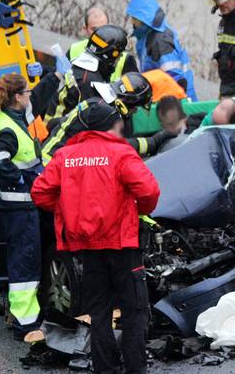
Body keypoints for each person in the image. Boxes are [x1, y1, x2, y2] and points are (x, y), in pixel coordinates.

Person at [31, 102, 160, 374]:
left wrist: (70, 210)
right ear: (110, 125)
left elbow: (40, 193)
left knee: (99, 313)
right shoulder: (121, 152)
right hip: (123, 246)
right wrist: (139, 211)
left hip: (88, 249)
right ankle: (135, 369)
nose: (122, 127)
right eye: (118, 123)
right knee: (134, 311)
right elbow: (149, 191)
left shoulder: (65, 155)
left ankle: (105, 369)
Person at [0, 73, 43, 340]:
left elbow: (36, 111)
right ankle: (25, 323)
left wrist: (52, 79)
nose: (30, 95)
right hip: (19, 206)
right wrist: (21, 179)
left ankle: (19, 314)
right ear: (18, 97)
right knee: (24, 264)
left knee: (23, 260)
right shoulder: (8, 127)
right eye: (28, 92)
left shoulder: (10, 117)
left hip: (19, 206)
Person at [41, 72, 175, 163]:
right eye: (135, 107)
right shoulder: (107, 113)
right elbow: (119, 149)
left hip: (50, 157)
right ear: (128, 102)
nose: (134, 111)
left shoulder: (98, 101)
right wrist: (154, 141)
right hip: (52, 166)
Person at [44, 24, 129, 129]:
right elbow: (90, 119)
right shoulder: (89, 81)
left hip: (54, 126)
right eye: (119, 55)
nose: (120, 58)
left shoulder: (82, 67)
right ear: (109, 55)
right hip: (59, 132)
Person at [126, 0, 197, 101]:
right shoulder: (146, 36)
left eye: (134, 18)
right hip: (162, 93)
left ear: (143, 19)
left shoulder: (160, 41)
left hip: (176, 99)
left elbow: (174, 77)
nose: (132, 22)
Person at [65, 7, 138, 81]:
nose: (100, 33)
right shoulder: (74, 50)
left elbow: (135, 88)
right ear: (85, 29)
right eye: (94, 29)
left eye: (103, 28)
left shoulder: (124, 57)